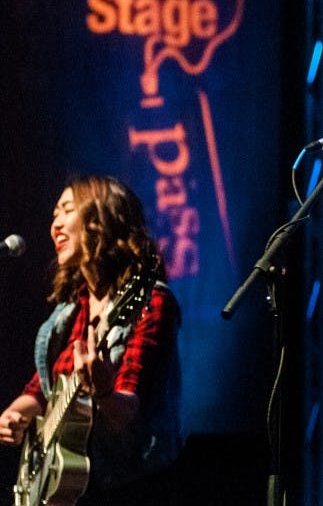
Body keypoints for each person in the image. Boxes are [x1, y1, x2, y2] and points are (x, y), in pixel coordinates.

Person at [0, 175, 183, 506]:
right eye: (54, 213)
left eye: (67, 210)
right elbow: (43, 389)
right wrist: (15, 412)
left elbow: (129, 411)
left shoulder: (149, 303)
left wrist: (102, 390)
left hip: (128, 486)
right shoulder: (70, 312)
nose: (55, 224)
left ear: (102, 220)